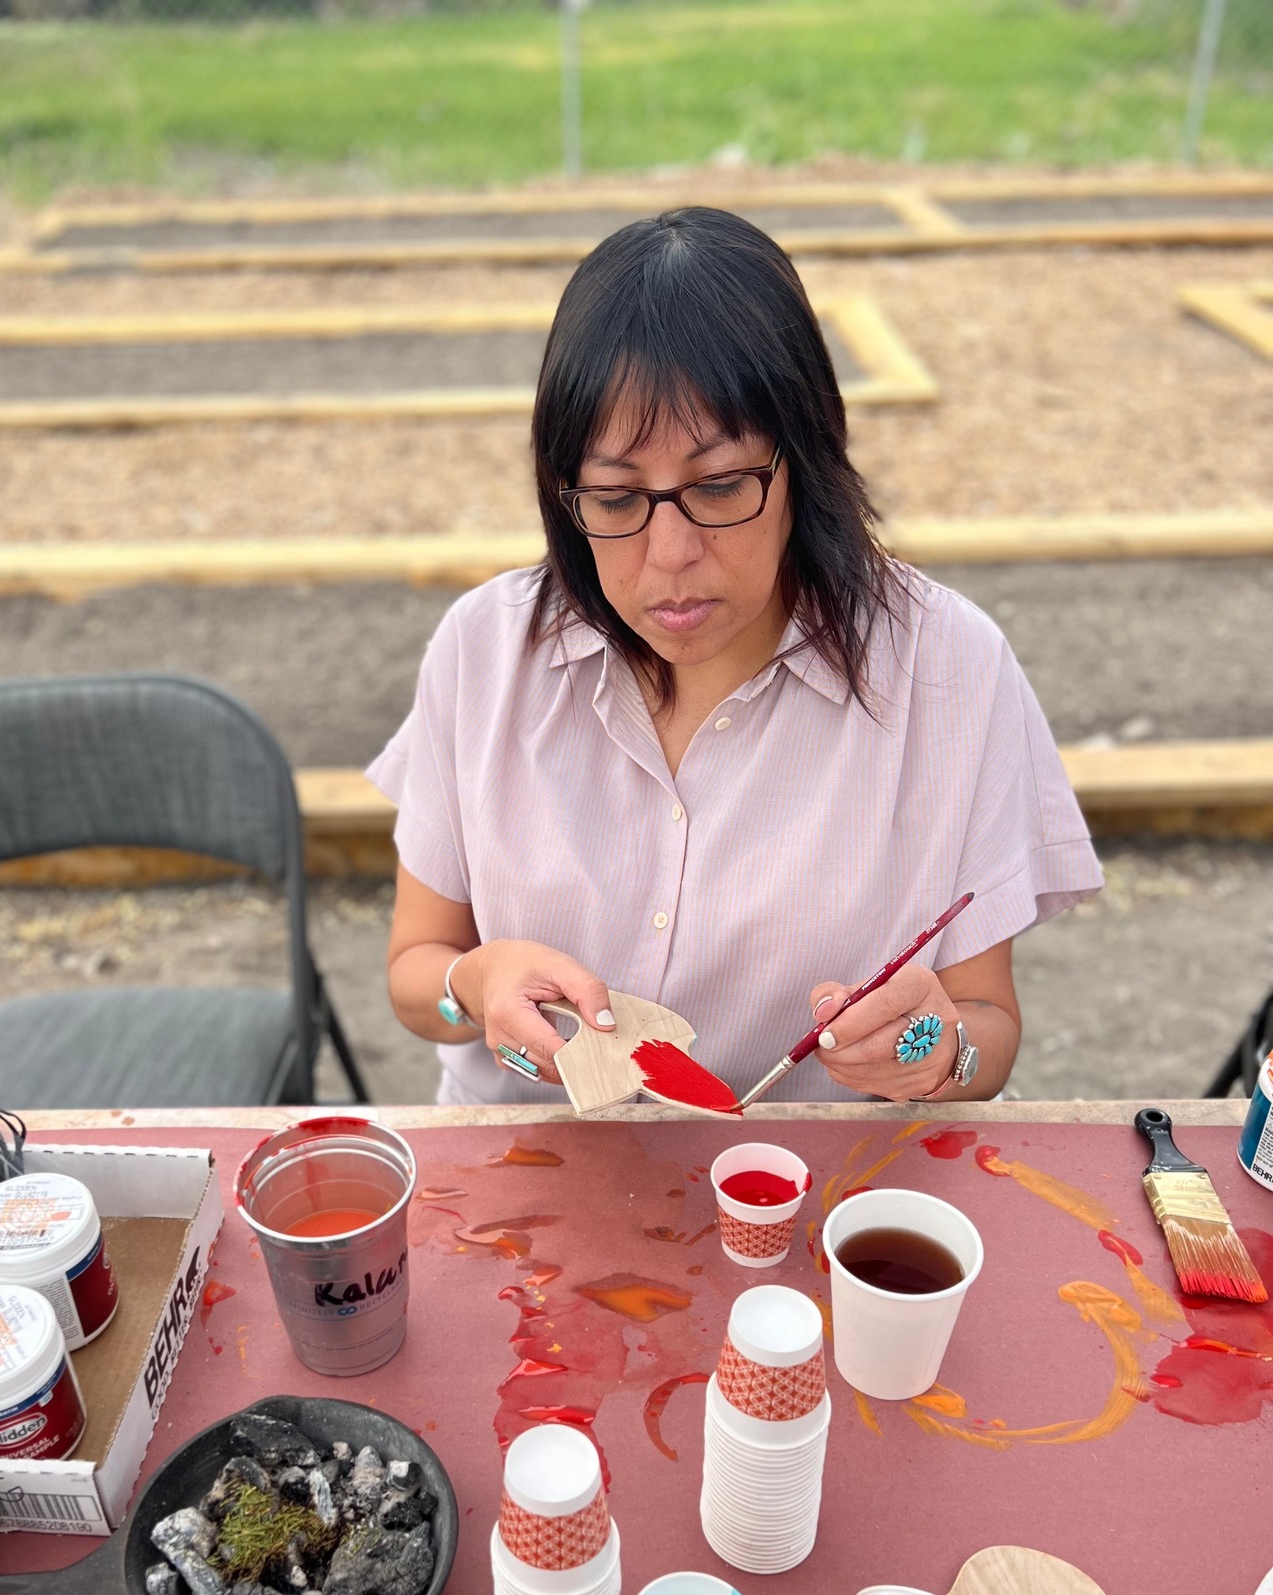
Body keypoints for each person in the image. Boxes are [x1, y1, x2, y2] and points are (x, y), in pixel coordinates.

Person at [368, 207, 1102, 1107]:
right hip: (527, 1179)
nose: (670, 552)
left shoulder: (947, 670)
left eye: (720, 485)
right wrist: (472, 988)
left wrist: (936, 1053)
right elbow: (416, 976)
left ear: (807, 458)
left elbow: (990, 1033)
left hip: (810, 1197)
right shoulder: (486, 651)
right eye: (615, 496)